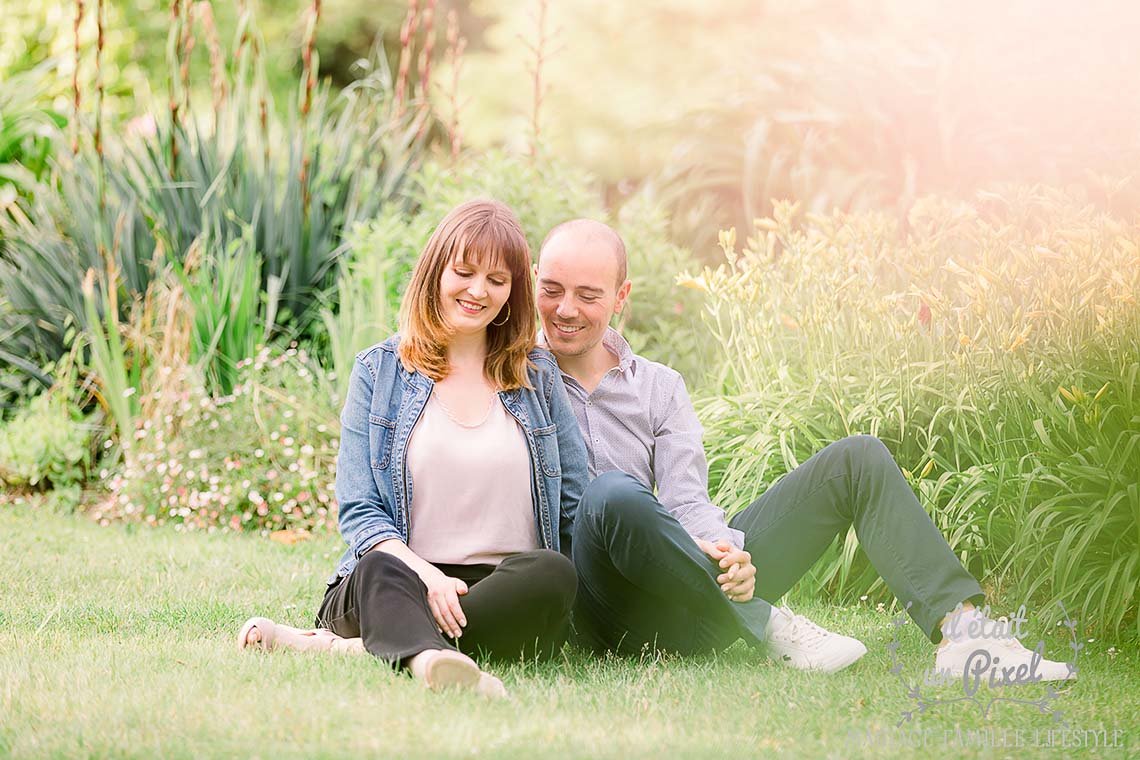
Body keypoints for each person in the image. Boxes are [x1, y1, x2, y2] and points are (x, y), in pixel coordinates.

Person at [534, 218, 1074, 681]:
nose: (566, 309)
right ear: (533, 283)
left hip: (688, 593)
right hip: (607, 608)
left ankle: (965, 636)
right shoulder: (515, 377)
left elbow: (686, 499)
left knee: (857, 458)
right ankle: (764, 621)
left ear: (621, 297)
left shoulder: (659, 386)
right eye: (552, 289)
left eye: (588, 294)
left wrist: (727, 554)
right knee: (611, 494)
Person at [238, 199, 588, 697]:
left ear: (513, 291)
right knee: (379, 565)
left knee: (554, 572)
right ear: (435, 272)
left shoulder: (537, 374)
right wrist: (428, 576)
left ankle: (356, 647)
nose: (477, 291)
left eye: (496, 279)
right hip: (401, 576)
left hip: (502, 587)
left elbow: (576, 500)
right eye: (463, 271)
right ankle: (428, 659)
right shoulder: (378, 371)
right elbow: (361, 512)